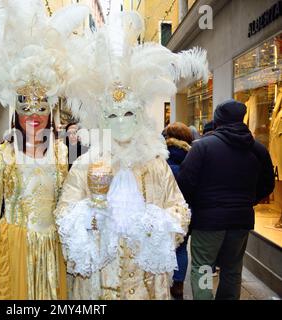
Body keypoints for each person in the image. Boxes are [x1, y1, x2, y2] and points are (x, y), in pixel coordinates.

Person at [0, 0, 91, 300]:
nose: (33, 116)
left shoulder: (62, 153)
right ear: (16, 113)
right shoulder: (2, 154)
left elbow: (67, 205)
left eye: (41, 108)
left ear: (51, 112)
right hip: (15, 248)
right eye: (25, 107)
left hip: (53, 251)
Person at [55, 11, 207, 300]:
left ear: (140, 117)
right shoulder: (85, 166)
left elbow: (180, 212)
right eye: (112, 115)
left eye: (127, 113)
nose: (120, 121)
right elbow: (64, 214)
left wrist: (152, 222)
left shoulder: (156, 166)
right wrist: (92, 215)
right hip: (97, 286)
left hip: (147, 285)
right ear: (101, 120)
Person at [178, 99, 275, 300]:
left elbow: (185, 183)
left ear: (218, 120)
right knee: (232, 269)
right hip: (241, 220)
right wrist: (249, 200)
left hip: (207, 221)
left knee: (203, 267)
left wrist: (196, 205)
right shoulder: (257, 149)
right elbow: (268, 184)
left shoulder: (202, 147)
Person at [163, 122, 193, 300]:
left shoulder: (161, 156)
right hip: (186, 210)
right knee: (181, 249)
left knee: (164, 247)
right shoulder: (193, 155)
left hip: (165, 208)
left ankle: (162, 283)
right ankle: (179, 284)